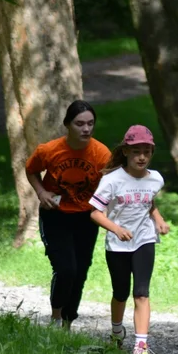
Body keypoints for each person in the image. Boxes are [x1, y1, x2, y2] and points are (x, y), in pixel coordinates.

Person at [25, 100, 111, 331]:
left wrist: (105, 212)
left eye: (90, 124)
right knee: (66, 269)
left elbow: (109, 185)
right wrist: (41, 192)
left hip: (85, 217)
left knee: (81, 269)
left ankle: (68, 321)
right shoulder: (49, 150)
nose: (86, 129)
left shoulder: (101, 153)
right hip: (56, 215)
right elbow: (31, 169)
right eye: (80, 124)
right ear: (67, 125)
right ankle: (56, 317)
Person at [89, 125, 170, 354]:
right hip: (117, 244)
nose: (142, 157)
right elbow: (95, 213)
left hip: (144, 240)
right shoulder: (112, 180)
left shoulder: (155, 179)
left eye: (146, 151)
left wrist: (159, 220)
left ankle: (141, 346)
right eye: (136, 152)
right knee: (121, 293)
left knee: (141, 294)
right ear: (125, 151)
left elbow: (149, 202)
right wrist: (116, 228)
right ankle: (116, 332)